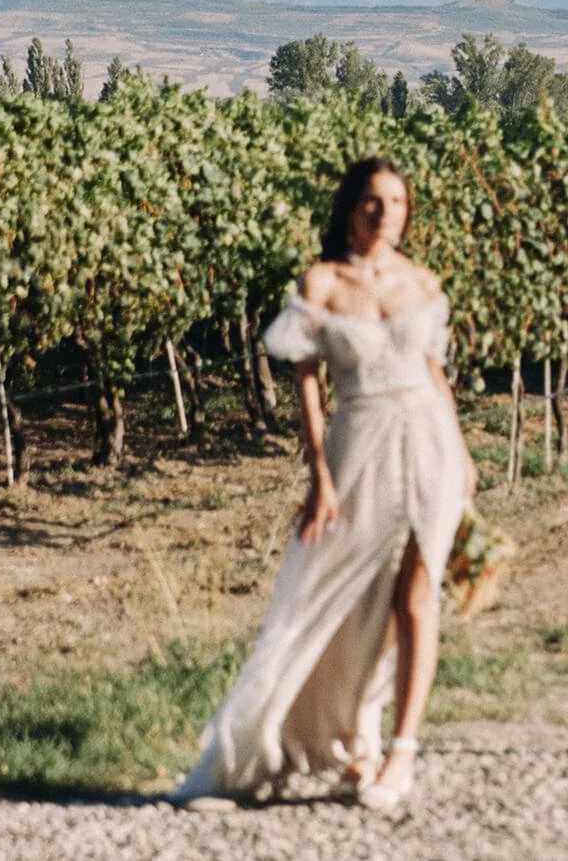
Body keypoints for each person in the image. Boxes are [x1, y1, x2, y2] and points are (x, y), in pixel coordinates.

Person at [174, 157, 477, 811]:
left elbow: (434, 372)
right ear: (349, 207)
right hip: (360, 440)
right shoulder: (322, 281)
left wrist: (462, 457)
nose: (385, 212)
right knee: (320, 594)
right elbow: (307, 383)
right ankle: (273, 747)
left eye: (397, 201)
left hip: (429, 444)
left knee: (416, 598)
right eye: (373, 200)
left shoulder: (422, 282)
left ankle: (400, 753)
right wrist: (320, 476)